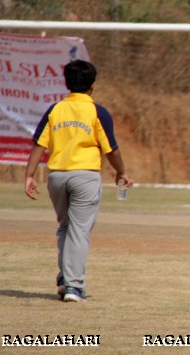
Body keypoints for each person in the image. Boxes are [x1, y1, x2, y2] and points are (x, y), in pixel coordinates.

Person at [23, 60, 133, 302]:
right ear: (92, 85)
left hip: (57, 176)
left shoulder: (55, 110)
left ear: (67, 83)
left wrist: (29, 175)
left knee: (65, 227)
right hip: (85, 176)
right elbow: (111, 149)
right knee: (80, 231)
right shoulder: (97, 112)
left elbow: (39, 144)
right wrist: (121, 171)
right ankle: (74, 286)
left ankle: (65, 278)